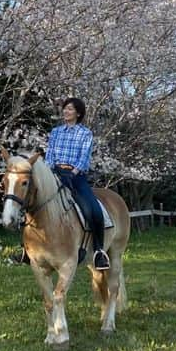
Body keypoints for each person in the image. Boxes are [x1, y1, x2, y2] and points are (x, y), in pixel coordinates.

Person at [45, 97, 109, 270]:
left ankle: (99, 251)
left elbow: (84, 158)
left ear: (78, 113)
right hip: (55, 174)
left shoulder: (85, 133)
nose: (66, 111)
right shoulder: (56, 132)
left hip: (75, 175)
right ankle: (27, 249)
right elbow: (49, 155)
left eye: (70, 109)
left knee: (93, 209)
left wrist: (72, 173)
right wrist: (50, 173)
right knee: (31, 201)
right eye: (65, 108)